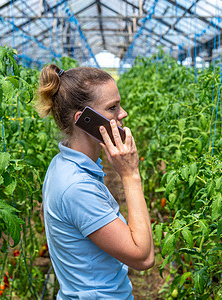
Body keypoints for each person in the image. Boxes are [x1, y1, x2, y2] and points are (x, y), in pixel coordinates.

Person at [36, 64, 155, 299]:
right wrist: (131, 175)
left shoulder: (62, 164)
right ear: (85, 120)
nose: (123, 114)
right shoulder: (77, 187)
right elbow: (143, 257)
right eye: (112, 107)